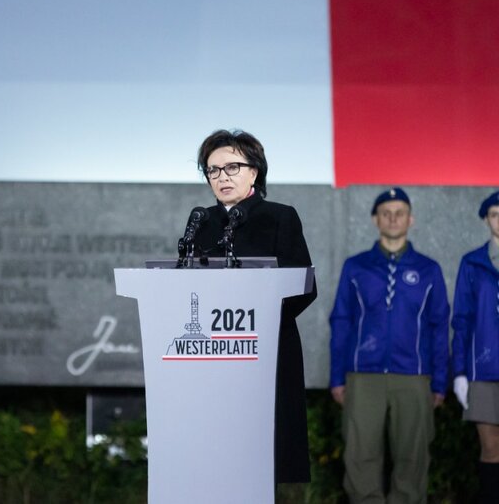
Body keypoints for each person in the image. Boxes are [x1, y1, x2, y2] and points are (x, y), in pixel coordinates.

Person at [191, 128, 317, 484]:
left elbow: (303, 286)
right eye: (212, 170)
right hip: (213, 355)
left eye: (231, 167)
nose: (221, 177)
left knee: (262, 458)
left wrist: (252, 324)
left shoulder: (279, 217)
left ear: (254, 172)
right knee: (218, 461)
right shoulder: (202, 222)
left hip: (267, 350)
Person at [328, 187, 450, 503]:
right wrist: (337, 376)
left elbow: (439, 327)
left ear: (411, 219)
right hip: (363, 375)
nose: (393, 218)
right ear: (375, 219)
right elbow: (341, 321)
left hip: (414, 375)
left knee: (412, 459)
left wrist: (439, 380)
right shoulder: (356, 267)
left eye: (399, 213)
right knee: (360, 456)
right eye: (386, 212)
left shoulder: (429, 269)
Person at [451, 190, 499, 504]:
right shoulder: (472, 263)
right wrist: (459, 372)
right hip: (484, 369)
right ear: (486, 219)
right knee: (491, 448)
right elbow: (462, 320)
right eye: (495, 214)